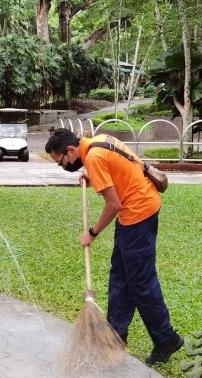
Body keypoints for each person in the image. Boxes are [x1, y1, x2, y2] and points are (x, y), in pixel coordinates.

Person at [45, 128, 183, 365]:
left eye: (62, 162)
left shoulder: (94, 158)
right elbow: (119, 166)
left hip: (137, 214)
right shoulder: (97, 141)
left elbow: (113, 205)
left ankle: (166, 339)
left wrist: (92, 233)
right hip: (137, 209)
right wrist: (91, 177)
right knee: (120, 275)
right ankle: (116, 336)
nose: (65, 166)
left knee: (141, 282)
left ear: (70, 150)